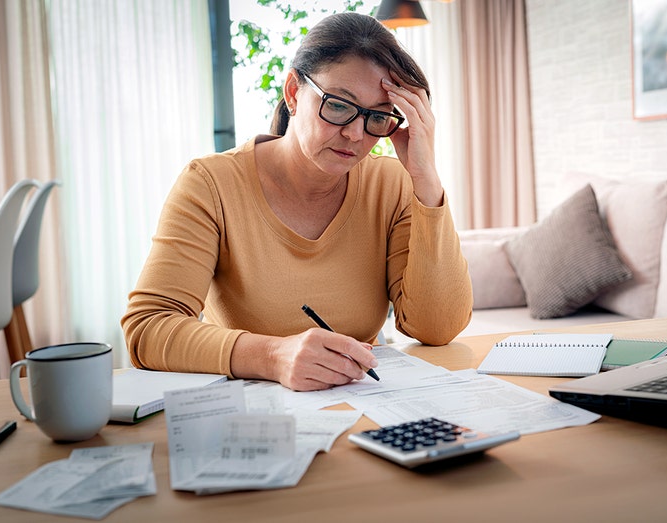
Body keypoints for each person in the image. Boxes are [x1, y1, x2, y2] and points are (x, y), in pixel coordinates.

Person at [121, 12, 472, 391]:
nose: (355, 134)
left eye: (376, 116)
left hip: (361, 406)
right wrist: (274, 356)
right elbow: (148, 328)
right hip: (251, 415)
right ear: (293, 92)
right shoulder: (210, 184)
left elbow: (437, 328)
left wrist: (426, 181)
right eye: (338, 105)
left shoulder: (390, 184)